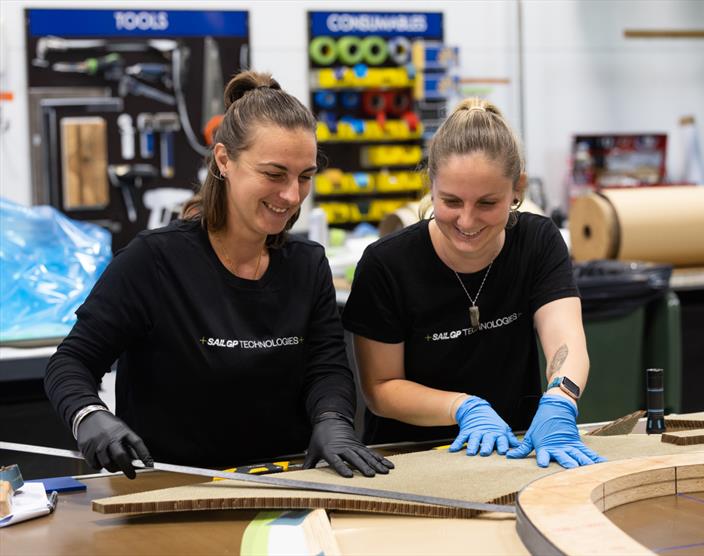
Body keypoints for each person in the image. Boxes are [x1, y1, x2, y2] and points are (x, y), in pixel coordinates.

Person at [44, 70, 393, 480]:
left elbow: (327, 368)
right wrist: (89, 415)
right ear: (225, 160)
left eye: (305, 177)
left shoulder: (307, 264)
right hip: (172, 489)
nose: (292, 196)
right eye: (274, 174)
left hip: (283, 484)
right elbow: (70, 363)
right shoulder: (155, 261)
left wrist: (333, 418)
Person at [342, 98, 605, 469]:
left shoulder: (538, 241)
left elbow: (566, 338)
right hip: (410, 459)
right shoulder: (387, 264)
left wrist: (561, 399)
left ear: (518, 188)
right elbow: (380, 389)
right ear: (430, 186)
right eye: (451, 201)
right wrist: (461, 406)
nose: (467, 221)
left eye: (487, 203)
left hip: (516, 451)